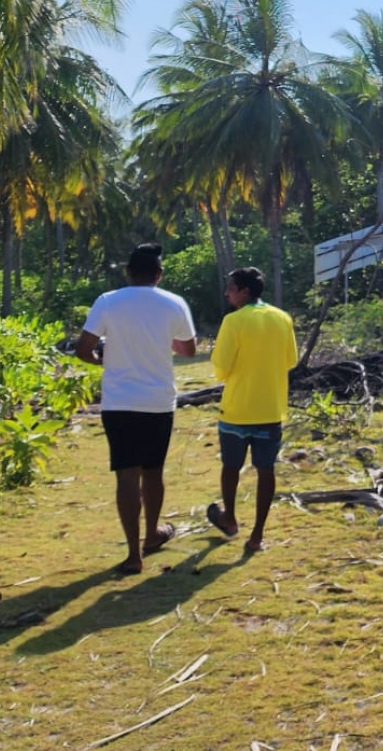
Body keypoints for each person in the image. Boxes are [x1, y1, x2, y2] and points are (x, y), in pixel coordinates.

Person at [75, 243, 197, 574]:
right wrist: (163, 340)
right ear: (159, 274)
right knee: (153, 471)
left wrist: (102, 360)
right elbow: (189, 350)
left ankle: (133, 554)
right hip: (158, 401)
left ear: (128, 272)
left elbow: (83, 349)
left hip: (119, 401)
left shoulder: (108, 301)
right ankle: (152, 534)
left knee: (126, 474)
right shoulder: (174, 303)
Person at [205, 266, 298, 553]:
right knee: (266, 470)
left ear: (244, 291)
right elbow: (291, 361)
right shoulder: (282, 318)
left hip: (237, 409)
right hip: (270, 409)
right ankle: (257, 535)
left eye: (231, 289)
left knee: (231, 466)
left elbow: (221, 367)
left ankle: (230, 518)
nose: (227, 294)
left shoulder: (233, 321)